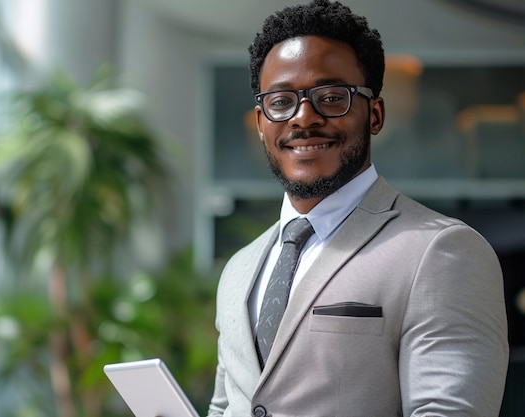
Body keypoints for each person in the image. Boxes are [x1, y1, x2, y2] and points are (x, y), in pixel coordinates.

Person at [206, 1, 509, 416]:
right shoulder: (240, 269)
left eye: (332, 97)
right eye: (281, 102)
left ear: (375, 114)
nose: (303, 118)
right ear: (261, 123)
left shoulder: (442, 253)